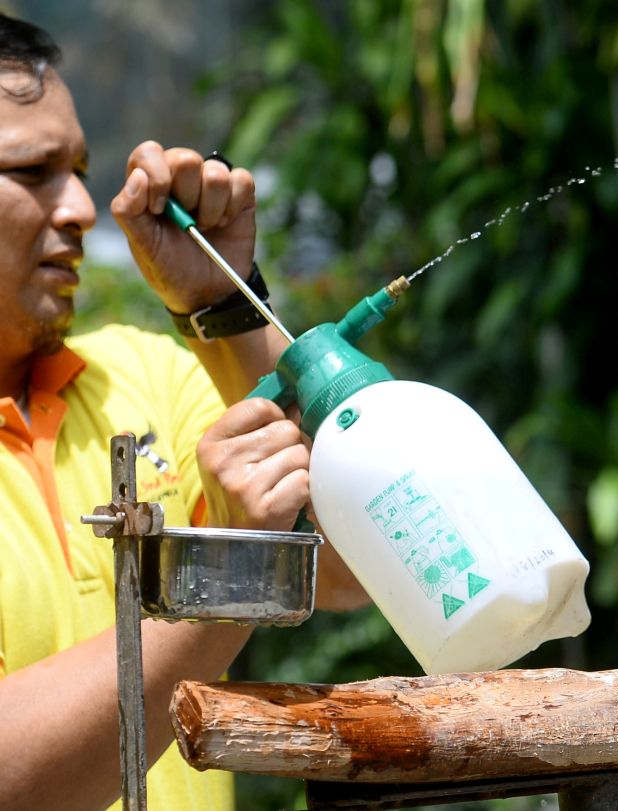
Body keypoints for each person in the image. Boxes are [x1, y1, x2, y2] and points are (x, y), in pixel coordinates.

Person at [0, 13, 368, 810]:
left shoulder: (147, 375)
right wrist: (230, 580)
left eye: (82, 171)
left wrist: (222, 308)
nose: (81, 210)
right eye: (33, 172)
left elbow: (366, 562)